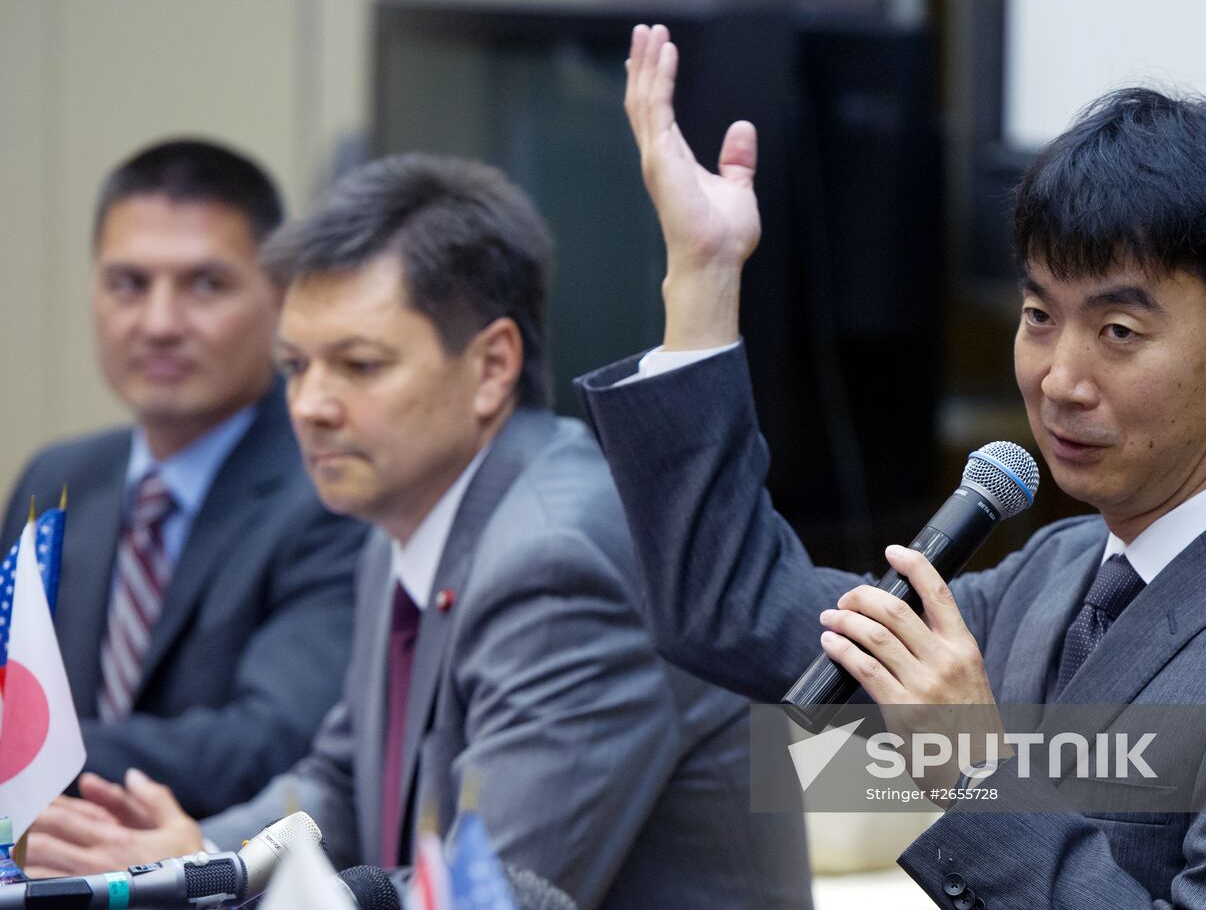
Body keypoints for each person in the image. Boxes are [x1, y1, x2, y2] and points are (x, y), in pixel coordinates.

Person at [574, 25, 1206, 906]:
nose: (1060, 378)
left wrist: (974, 774)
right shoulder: (1060, 568)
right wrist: (703, 276)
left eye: (1119, 332)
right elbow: (732, 607)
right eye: (1040, 315)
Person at [25, 154, 812, 909]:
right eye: (297, 366)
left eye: (358, 365)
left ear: (493, 366)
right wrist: (193, 859)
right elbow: (337, 780)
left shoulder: (559, 556)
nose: (311, 406)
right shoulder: (404, 509)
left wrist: (208, 883)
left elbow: (487, 887)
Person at [2, 140, 364, 819]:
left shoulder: (331, 484)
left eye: (205, 285)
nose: (160, 324)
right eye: (128, 284)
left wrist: (22, 750)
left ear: (282, 297)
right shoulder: (58, 477)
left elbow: (271, 740)